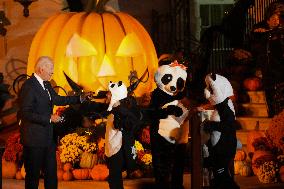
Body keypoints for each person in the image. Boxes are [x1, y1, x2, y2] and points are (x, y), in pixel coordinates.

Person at [18, 56, 91, 189]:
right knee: (33, 176)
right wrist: (48, 118)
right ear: (41, 69)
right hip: (33, 139)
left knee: (51, 174)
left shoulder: (46, 84)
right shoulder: (29, 86)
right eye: (50, 68)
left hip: (47, 138)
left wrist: (79, 98)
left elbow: (58, 99)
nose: (52, 71)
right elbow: (25, 113)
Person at [250, 1, 284, 116]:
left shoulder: (281, 31)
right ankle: (272, 115)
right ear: (268, 18)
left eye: (279, 16)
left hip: (280, 66)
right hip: (266, 67)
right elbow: (254, 48)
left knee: (280, 93)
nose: (277, 20)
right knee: (269, 91)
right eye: (274, 16)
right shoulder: (259, 29)